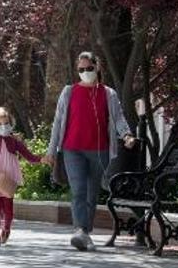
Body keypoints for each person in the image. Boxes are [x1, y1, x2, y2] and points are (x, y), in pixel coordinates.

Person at [46, 52, 135, 251]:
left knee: (91, 193)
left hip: (99, 150)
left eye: (89, 68)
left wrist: (127, 135)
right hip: (72, 149)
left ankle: (85, 232)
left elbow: (118, 118)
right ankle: (80, 231)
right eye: (81, 70)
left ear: (97, 67)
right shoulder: (69, 92)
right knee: (78, 190)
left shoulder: (108, 94)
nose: (85, 72)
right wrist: (51, 151)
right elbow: (58, 122)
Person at [0, 105, 45, 245]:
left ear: (10, 123)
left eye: (6, 123)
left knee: (8, 209)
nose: (3, 126)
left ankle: (7, 228)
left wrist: (42, 159)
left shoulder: (14, 141)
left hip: (8, 179)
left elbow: (28, 156)